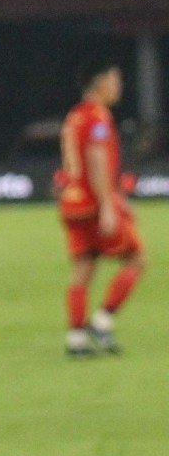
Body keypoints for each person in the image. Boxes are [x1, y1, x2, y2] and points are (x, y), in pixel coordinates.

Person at [56, 63, 145, 356]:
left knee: (84, 267)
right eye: (115, 81)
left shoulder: (75, 116)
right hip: (94, 205)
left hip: (72, 203)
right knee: (137, 258)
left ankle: (76, 338)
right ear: (100, 84)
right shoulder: (97, 118)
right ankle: (103, 321)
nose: (118, 87)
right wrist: (109, 205)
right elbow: (96, 162)